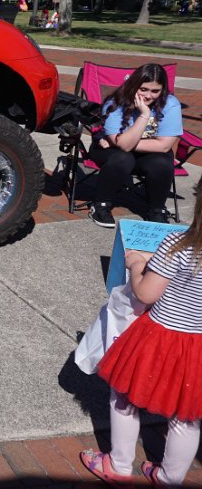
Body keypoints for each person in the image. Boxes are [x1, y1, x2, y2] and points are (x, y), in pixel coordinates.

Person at [80, 175, 202, 488]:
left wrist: (137, 265)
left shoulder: (178, 246)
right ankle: (169, 479)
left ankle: (119, 466)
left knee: (124, 396)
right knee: (186, 415)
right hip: (197, 347)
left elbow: (146, 293)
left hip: (160, 338)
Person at [88, 63, 182, 228]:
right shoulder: (115, 103)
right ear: (134, 85)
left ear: (162, 90)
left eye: (155, 91)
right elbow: (124, 147)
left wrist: (122, 142)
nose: (148, 96)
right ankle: (101, 204)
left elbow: (164, 146)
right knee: (123, 158)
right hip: (110, 153)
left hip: (141, 153)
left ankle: (157, 210)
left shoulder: (170, 104)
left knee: (162, 162)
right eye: (143, 89)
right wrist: (145, 114)